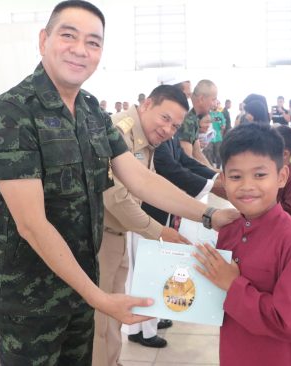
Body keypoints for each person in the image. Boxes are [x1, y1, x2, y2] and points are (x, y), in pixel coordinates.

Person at [0, 2, 238, 365]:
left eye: (93, 42)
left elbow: (139, 178)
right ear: (44, 40)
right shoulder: (12, 112)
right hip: (29, 297)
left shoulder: (90, 111)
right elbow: (32, 224)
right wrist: (100, 298)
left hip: (80, 284)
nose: (80, 49)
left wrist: (209, 214)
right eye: (68, 35)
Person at [193, 123, 291, 366]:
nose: (247, 185)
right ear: (223, 180)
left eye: (260, 175)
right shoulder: (228, 231)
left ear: (281, 176)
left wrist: (233, 284)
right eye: (236, 176)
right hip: (234, 352)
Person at [93, 85, 192, 366]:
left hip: (118, 234)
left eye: (175, 126)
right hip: (99, 238)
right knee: (98, 322)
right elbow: (116, 197)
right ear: (147, 104)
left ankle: (112, 361)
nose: (169, 130)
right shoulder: (118, 131)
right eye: (165, 119)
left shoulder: (146, 140)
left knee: (115, 315)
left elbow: (149, 188)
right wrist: (159, 231)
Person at [176, 80, 218, 169]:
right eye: (213, 99)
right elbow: (187, 161)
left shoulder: (193, 116)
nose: (215, 104)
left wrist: (214, 172)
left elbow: (197, 153)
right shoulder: (187, 117)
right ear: (201, 99)